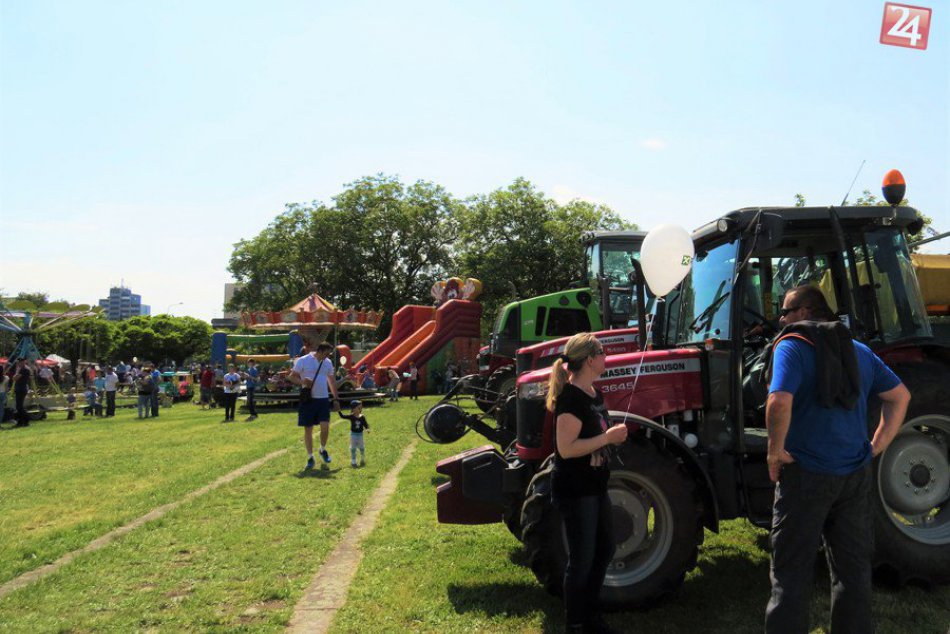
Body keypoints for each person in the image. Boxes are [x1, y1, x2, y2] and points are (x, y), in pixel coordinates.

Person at [764, 285, 911, 634]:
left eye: (784, 313)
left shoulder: (792, 345)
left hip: (805, 474)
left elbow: (779, 401)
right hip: (854, 475)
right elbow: (900, 396)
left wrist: (773, 451)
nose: (781, 321)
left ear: (803, 312)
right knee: (853, 571)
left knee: (790, 573)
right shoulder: (858, 349)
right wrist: (876, 445)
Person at [546, 332, 627, 634]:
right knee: (581, 559)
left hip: (595, 486)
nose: (607, 356)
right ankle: (577, 624)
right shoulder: (570, 399)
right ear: (591, 359)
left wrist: (609, 439)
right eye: (603, 352)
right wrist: (607, 438)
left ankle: (591, 615)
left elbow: (593, 437)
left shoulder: (595, 394)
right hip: (575, 488)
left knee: (604, 549)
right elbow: (566, 449)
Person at [289, 341, 341, 470]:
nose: (328, 356)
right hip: (308, 400)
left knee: (325, 426)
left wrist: (336, 399)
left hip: (323, 399)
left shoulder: (327, 363)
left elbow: (331, 381)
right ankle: (310, 457)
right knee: (308, 429)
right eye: (327, 354)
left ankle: (322, 449)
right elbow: (291, 377)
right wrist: (303, 382)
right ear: (320, 351)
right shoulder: (303, 360)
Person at [338, 399, 370, 467]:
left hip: (360, 435)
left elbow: (365, 424)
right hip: (353, 435)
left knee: (362, 447)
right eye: (358, 407)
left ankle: (362, 458)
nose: (360, 409)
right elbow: (342, 416)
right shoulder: (351, 416)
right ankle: (353, 461)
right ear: (353, 409)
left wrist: (367, 429)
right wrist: (338, 410)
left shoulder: (362, 417)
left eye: (361, 408)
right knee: (353, 448)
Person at [13, 359, 31, 427]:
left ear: (23, 362)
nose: (18, 364)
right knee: (19, 406)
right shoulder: (22, 370)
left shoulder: (25, 370)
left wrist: (17, 371)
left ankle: (26, 420)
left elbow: (15, 378)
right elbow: (14, 378)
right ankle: (21, 422)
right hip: (19, 389)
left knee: (19, 406)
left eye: (19, 363)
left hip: (22, 389)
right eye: (18, 363)